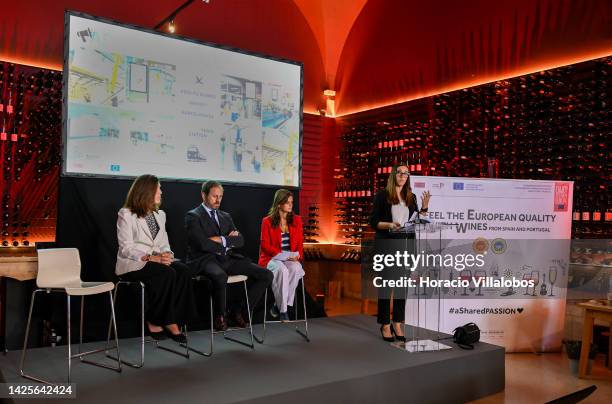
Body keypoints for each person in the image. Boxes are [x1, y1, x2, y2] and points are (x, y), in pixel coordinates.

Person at [116, 174, 196, 343]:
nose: (161, 191)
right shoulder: (126, 214)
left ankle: (174, 318)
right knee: (166, 274)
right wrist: (150, 257)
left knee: (183, 271)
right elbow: (126, 248)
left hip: (157, 260)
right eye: (159, 188)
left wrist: (168, 255)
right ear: (147, 191)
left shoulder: (160, 215)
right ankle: (156, 319)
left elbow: (164, 244)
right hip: (134, 263)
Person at [185, 180, 273, 331]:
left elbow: (240, 240)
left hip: (227, 259)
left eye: (220, 196)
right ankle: (220, 317)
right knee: (220, 276)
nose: (218, 200)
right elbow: (203, 245)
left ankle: (239, 311)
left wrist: (220, 239)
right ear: (203, 195)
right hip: (205, 260)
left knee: (266, 274)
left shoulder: (226, 216)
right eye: (214, 196)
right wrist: (228, 240)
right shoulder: (193, 216)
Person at [369, 165, 430, 342]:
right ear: (394, 175)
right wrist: (389, 225)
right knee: (387, 288)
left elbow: (416, 222)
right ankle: (385, 324)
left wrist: (424, 209)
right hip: (387, 246)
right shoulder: (382, 195)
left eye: (406, 173)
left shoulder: (411, 197)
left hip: (406, 247)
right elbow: (373, 221)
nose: (403, 175)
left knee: (402, 289)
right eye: (400, 172)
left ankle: (397, 322)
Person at [258, 189, 305, 322]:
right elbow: (265, 245)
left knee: (296, 268)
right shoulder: (267, 221)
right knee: (282, 270)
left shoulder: (297, 220)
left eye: (291, 202)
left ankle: (277, 307)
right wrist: (282, 255)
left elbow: (300, 244)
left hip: (290, 257)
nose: (290, 205)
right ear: (279, 204)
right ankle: (283, 310)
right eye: (287, 202)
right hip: (271, 258)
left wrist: (298, 256)